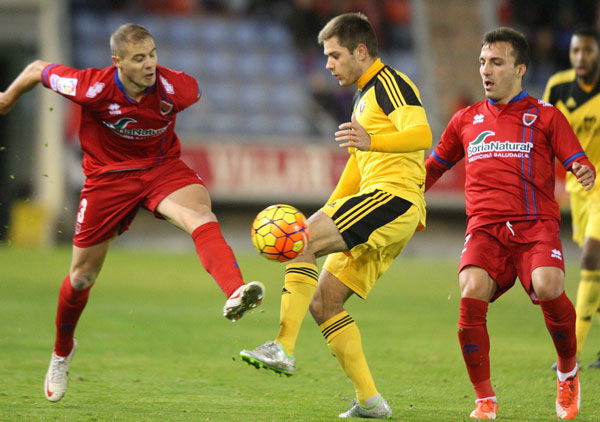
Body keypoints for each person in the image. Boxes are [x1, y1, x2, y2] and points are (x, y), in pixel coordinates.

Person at [0, 23, 265, 403]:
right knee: (80, 277)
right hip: (107, 181)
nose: (149, 65)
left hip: (161, 171)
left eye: (153, 55)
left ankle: (235, 290)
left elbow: (192, 91)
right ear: (118, 62)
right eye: (139, 59)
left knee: (202, 218)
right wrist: (8, 99)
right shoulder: (91, 87)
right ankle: (61, 352)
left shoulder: (178, 88)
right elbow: (35, 68)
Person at [240, 12, 432, 419]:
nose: (328, 64)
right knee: (324, 303)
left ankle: (283, 348)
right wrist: (324, 211)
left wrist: (372, 138)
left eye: (334, 54)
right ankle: (370, 401)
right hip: (381, 203)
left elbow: (422, 134)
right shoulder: (364, 97)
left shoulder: (390, 84)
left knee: (300, 241)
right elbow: (355, 170)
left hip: (392, 199)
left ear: (361, 52)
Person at [425, 27, 595, 420]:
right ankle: (484, 398)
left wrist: (583, 170)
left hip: (535, 225)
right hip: (485, 229)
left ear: (519, 69)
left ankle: (568, 372)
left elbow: (575, 157)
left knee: (548, 284)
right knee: (470, 290)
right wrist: (406, 194)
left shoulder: (547, 115)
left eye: (496, 62)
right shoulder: (465, 119)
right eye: (483, 62)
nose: (486, 70)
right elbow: (434, 167)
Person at [543, 26, 600, 370]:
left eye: (588, 51)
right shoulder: (558, 87)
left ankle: (572, 350)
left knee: (592, 255)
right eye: (576, 51)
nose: (581, 57)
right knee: (595, 261)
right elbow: (543, 133)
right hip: (578, 186)